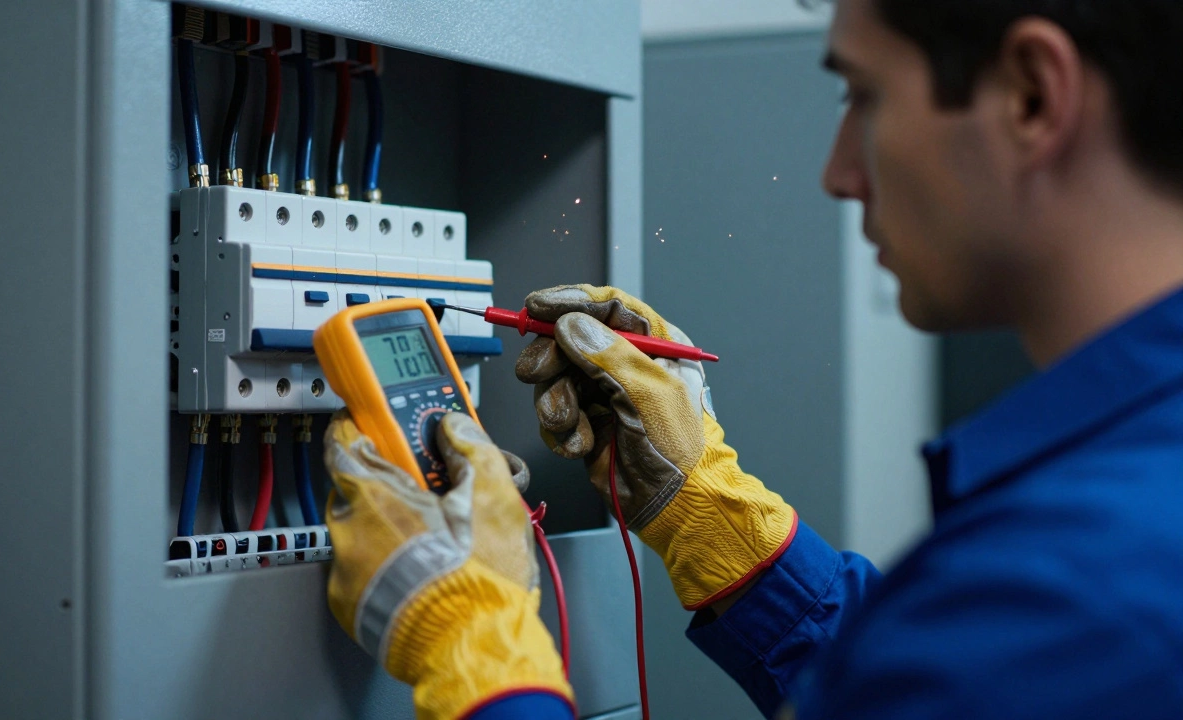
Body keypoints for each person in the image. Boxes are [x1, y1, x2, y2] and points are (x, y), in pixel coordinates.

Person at [319, 0, 1183, 717]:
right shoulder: (1120, 521)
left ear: (1033, 96)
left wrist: (474, 650)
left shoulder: (1083, 589)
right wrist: (716, 520)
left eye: (865, 97)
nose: (838, 173)